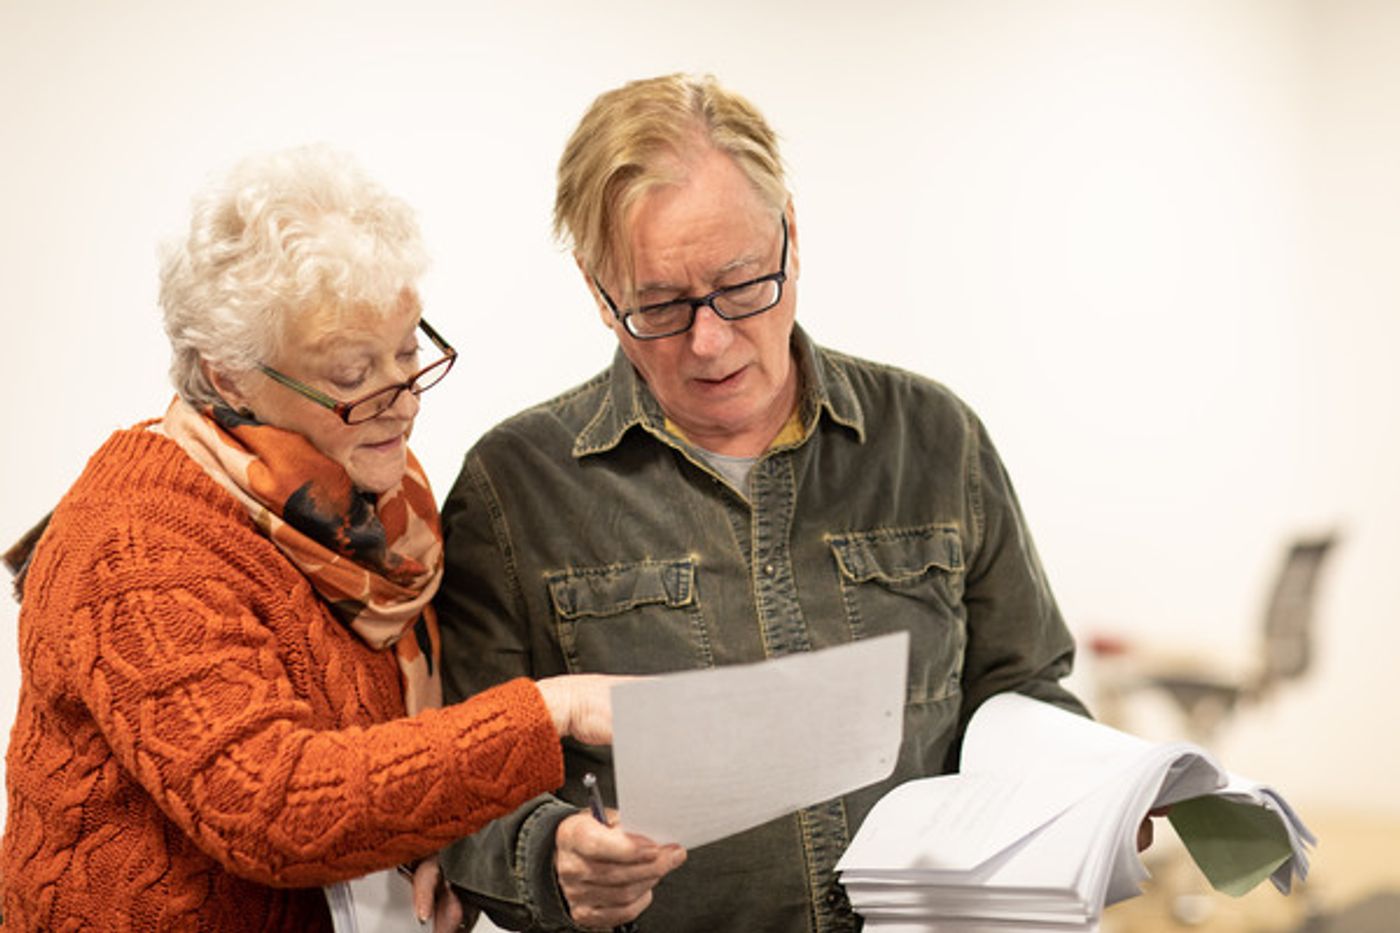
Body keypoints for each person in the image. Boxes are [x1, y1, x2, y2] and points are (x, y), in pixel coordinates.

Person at [435, 73, 1119, 933]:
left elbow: (1022, 690)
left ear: (790, 234)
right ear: (597, 292)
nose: (712, 340)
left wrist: (1099, 786)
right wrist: (548, 855)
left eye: (742, 283)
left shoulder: (935, 440)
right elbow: (459, 795)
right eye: (660, 306)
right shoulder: (514, 490)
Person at [0, 145, 624, 932]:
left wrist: (432, 836)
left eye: (406, 352)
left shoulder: (369, 518)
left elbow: (382, 764)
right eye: (350, 376)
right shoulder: (135, 542)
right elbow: (273, 804)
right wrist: (549, 711)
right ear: (227, 375)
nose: (399, 402)